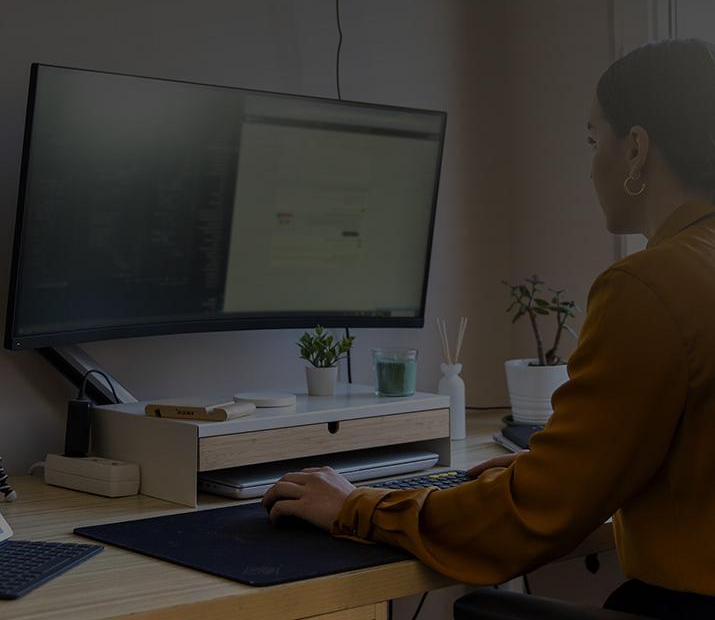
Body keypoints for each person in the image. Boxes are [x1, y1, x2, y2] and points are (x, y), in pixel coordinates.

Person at [263, 38, 715, 619]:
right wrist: (550, 466)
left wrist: (359, 507)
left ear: (635, 150)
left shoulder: (647, 286)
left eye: (592, 139)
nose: (591, 161)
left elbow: (534, 515)